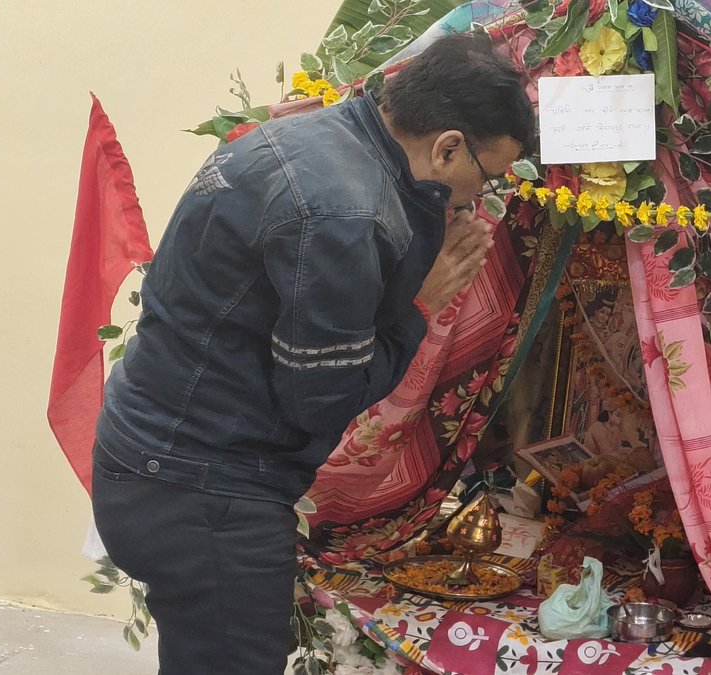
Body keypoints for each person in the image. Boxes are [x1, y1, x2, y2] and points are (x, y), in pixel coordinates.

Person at [90, 33, 535, 674]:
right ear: (446, 146)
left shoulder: (314, 136)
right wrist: (421, 305)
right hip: (204, 489)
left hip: (156, 454)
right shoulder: (342, 213)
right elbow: (319, 400)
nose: (479, 197)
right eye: (487, 176)